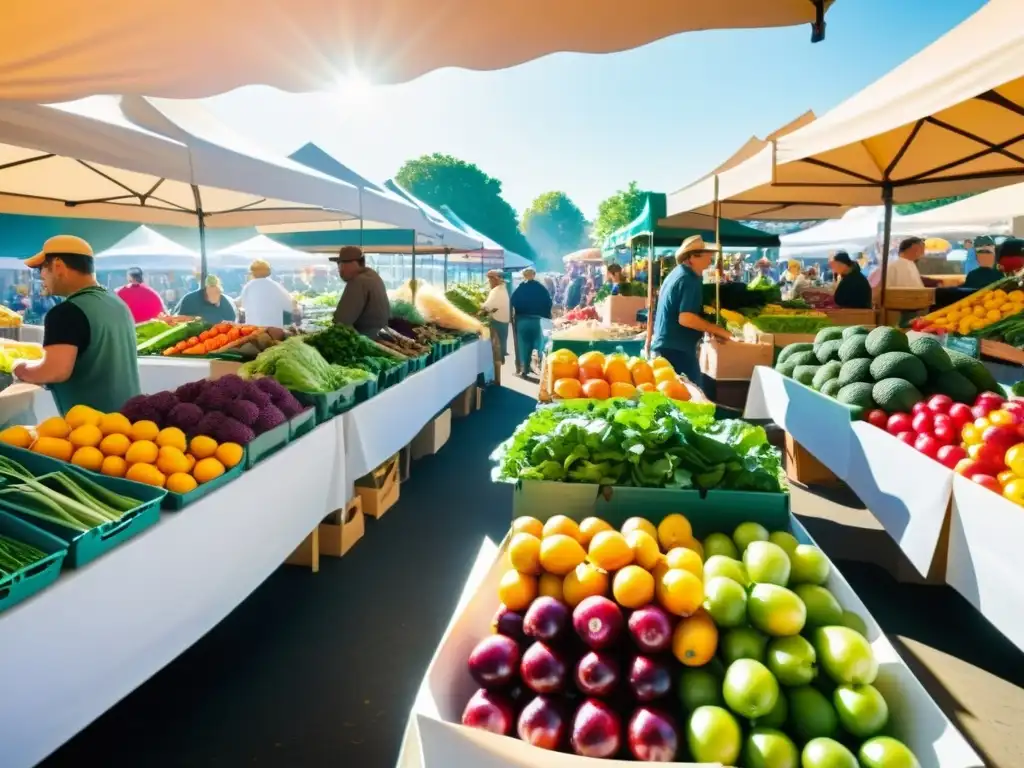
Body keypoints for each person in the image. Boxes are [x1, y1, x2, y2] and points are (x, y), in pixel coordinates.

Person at [12, 236, 141, 415]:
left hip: (94, 431)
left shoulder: (66, 312)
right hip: (129, 423)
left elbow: (54, 371)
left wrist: (19, 368)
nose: (41, 276)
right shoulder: (116, 302)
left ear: (58, 266)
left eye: (42, 268)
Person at [651, 235, 731, 383]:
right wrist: (716, 329)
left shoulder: (677, 273)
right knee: (692, 396)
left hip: (667, 346)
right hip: (676, 350)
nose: (711, 258)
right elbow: (686, 318)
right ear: (693, 257)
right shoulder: (689, 279)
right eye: (707, 254)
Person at [330, 246, 390, 338]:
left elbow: (341, 322)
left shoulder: (358, 281)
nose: (340, 271)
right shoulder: (374, 277)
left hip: (366, 340)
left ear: (353, 263)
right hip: (380, 337)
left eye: (341, 265)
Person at [510, 267, 552, 378]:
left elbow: (512, 301)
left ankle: (525, 369)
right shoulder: (541, 288)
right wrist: (545, 314)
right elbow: (548, 301)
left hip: (522, 319)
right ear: (534, 275)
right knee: (538, 342)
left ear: (524, 276)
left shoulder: (520, 288)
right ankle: (538, 365)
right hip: (537, 320)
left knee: (523, 344)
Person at [237, 259, 295, 327]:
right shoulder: (275, 286)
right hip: (273, 330)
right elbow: (290, 306)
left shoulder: (248, 286)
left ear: (252, 272)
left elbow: (241, 305)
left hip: (253, 330)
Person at [480, 269, 510, 366]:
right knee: (501, 342)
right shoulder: (503, 289)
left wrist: (480, 310)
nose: (489, 282)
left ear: (495, 280)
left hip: (497, 321)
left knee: (496, 345)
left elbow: (488, 307)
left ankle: (497, 370)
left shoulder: (496, 291)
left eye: (490, 280)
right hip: (504, 320)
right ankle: (500, 361)